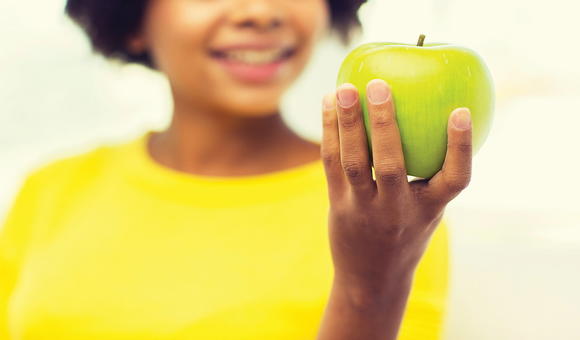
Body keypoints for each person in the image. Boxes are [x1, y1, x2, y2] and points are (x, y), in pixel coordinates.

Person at [0, 0, 473, 339]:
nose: (260, 11)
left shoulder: (385, 212)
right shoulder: (50, 190)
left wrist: (369, 286)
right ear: (131, 18)